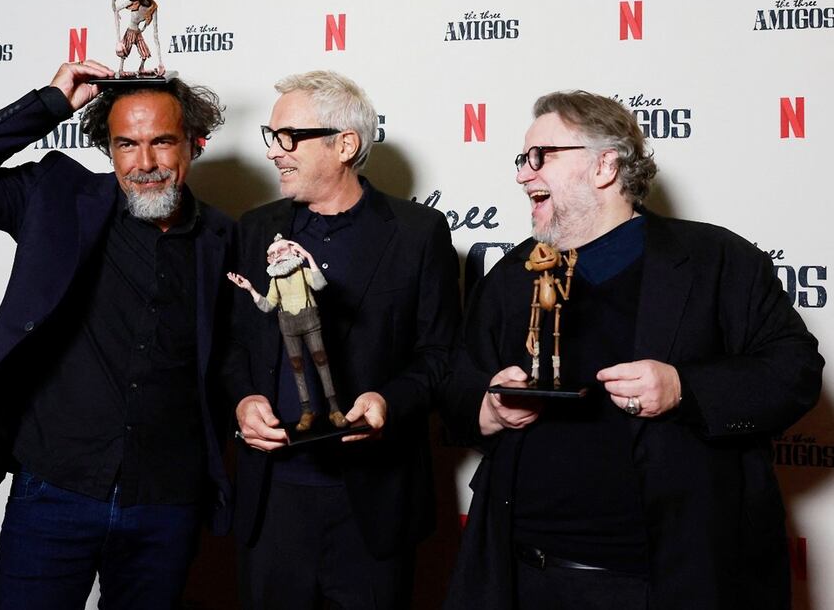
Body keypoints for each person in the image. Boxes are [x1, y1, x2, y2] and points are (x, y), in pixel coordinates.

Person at [440, 90, 823, 610]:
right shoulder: (513, 274)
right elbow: (457, 387)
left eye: (540, 157)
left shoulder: (716, 260)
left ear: (604, 165)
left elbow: (794, 372)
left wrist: (685, 389)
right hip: (525, 574)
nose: (522, 175)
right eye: (521, 159)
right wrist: (487, 407)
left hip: (665, 582)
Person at [0, 60, 234, 610]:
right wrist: (50, 102)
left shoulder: (228, 239)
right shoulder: (56, 198)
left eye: (162, 142)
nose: (145, 163)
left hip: (166, 502)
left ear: (195, 144)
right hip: (55, 490)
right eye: (126, 145)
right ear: (107, 150)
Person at [223, 70, 460, 609]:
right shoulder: (255, 229)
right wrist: (244, 400)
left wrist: (387, 403)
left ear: (346, 144)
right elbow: (233, 347)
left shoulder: (419, 233)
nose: (274, 152)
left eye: (290, 138)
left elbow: (441, 356)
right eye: (271, 136)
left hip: (373, 507)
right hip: (272, 504)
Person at [227, 234, 346, 431]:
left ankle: (334, 408)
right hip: (288, 325)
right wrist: (250, 289)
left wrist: (308, 256)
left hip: (309, 320)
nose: (277, 257)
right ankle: (306, 410)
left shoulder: (303, 272)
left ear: (293, 250)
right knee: (297, 367)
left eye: (280, 251)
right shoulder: (275, 282)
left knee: (321, 361)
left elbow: (320, 285)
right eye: (272, 255)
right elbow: (267, 306)